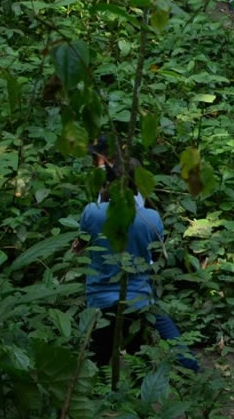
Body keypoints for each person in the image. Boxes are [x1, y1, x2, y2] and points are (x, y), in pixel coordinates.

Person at [73, 138, 199, 372]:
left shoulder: (93, 212)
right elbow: (154, 250)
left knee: (97, 359)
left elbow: (81, 243)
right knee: (138, 357)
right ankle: (190, 369)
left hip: (100, 300)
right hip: (139, 300)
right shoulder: (151, 218)